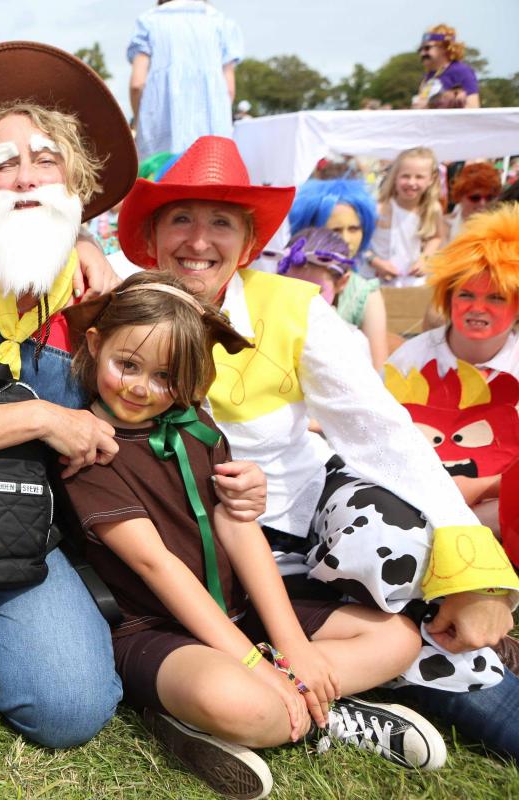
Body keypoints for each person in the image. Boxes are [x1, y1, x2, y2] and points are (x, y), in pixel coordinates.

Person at [0, 41, 263, 755]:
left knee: (74, 710)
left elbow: (160, 402)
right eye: (2, 163)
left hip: (28, 527)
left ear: (77, 183)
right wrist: (41, 414)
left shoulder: (98, 296)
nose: (26, 175)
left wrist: (239, 482)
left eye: (46, 159)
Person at [115, 134, 519, 759]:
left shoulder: (295, 309)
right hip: (204, 549)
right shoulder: (121, 308)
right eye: (182, 219)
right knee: (410, 640)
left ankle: (311, 675)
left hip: (310, 528)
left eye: (220, 221)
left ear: (249, 243)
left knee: (390, 536)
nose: (199, 241)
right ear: (151, 236)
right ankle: (319, 686)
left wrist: (477, 577)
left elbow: (383, 435)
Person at [62, 271, 441, 797]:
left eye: (166, 377)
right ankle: (310, 713)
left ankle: (294, 697)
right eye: (127, 365)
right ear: (96, 345)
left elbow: (238, 527)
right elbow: (158, 565)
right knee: (241, 702)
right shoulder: (88, 452)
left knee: (396, 636)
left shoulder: (195, 422)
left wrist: (291, 649)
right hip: (156, 630)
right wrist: (251, 665)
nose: (141, 388)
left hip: (242, 613)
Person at [387, 205, 519, 535]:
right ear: (447, 297)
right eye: (466, 295)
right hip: (411, 506)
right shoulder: (410, 359)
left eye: (497, 297)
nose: (478, 308)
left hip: (500, 509)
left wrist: (483, 488)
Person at [288, 180, 389, 369]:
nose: (346, 239)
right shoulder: (288, 274)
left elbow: (378, 369)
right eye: (335, 230)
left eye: (354, 229)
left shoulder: (364, 293)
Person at [127, 0, 244, 159]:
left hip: (161, 141)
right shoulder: (221, 22)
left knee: (161, 180)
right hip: (213, 143)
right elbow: (228, 90)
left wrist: (139, 124)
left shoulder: (148, 22)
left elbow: (137, 85)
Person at [366, 147, 446, 288]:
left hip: (410, 283)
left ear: (431, 179)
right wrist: (375, 261)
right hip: (375, 281)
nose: (411, 182)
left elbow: (437, 236)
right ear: (395, 176)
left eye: (419, 177)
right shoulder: (379, 208)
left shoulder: (432, 209)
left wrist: (425, 259)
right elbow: (359, 245)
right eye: (406, 176)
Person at [414, 24, 480, 109]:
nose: (422, 53)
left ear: (445, 47)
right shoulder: (428, 76)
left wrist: (434, 104)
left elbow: (473, 108)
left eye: (427, 48)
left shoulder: (461, 71)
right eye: (420, 49)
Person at [446, 162, 501, 239]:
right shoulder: (445, 226)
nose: (483, 203)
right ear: (460, 197)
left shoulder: (501, 229)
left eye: (489, 198)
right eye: (475, 198)